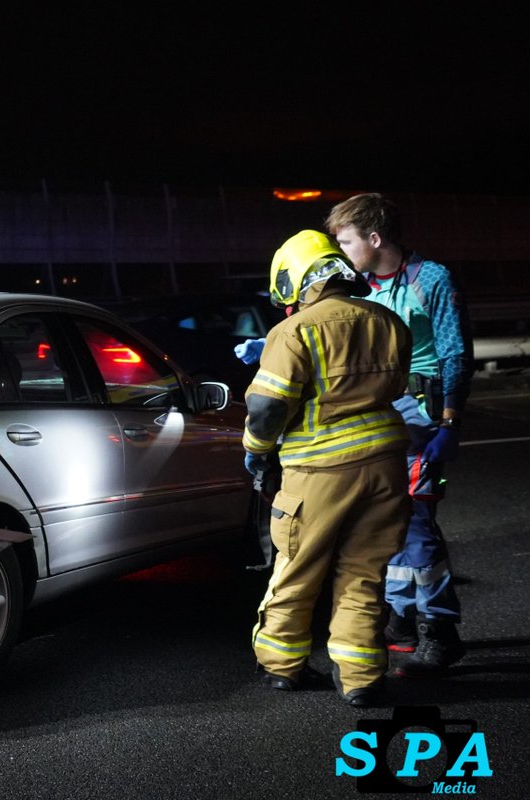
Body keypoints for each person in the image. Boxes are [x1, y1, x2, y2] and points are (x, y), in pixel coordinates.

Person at [244, 230, 411, 707]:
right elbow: (397, 387)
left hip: (317, 472)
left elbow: (267, 409)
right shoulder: (387, 320)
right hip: (385, 468)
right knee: (363, 573)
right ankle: (360, 679)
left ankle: (282, 667)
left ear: (294, 280)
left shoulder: (294, 331)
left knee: (297, 568)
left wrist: (256, 449)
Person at [325, 192, 473, 676]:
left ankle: (439, 629)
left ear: (374, 237)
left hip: (423, 415)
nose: (341, 251)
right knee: (382, 520)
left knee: (416, 526)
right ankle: (402, 620)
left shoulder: (430, 279)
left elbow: (454, 353)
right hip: (379, 413)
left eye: (346, 241)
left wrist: (449, 424)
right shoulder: (359, 286)